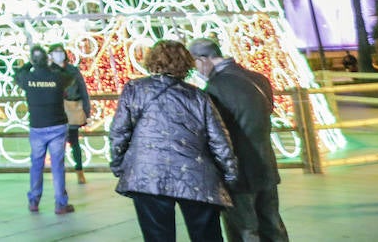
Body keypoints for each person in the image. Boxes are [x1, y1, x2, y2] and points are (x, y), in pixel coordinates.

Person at [111, 39, 238, 242]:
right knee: (207, 235)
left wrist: (119, 165)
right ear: (186, 63)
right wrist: (230, 173)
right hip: (196, 175)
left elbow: (119, 131)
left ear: (152, 61)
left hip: (146, 173)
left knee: (157, 236)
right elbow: (219, 140)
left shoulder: (135, 89)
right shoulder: (198, 96)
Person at [189, 38, 289, 242]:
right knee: (272, 224)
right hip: (266, 165)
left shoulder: (215, 88)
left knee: (245, 229)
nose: (196, 71)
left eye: (195, 64)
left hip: (238, 173)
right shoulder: (259, 79)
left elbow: (216, 135)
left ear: (203, 59)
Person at [14, 45, 74, 216]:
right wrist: (52, 65)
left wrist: (29, 64)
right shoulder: (57, 77)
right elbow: (70, 76)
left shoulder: (27, 77)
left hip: (37, 127)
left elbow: (16, 75)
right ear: (47, 59)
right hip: (57, 126)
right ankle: (60, 204)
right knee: (57, 166)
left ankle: (34, 201)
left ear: (33, 60)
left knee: (36, 165)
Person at [48, 42, 92, 184]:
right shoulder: (48, 72)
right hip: (56, 111)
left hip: (72, 109)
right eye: (55, 52)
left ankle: (79, 171)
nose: (59, 54)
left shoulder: (72, 70)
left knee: (74, 142)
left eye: (60, 51)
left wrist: (87, 110)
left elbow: (83, 91)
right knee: (57, 144)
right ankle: (59, 173)